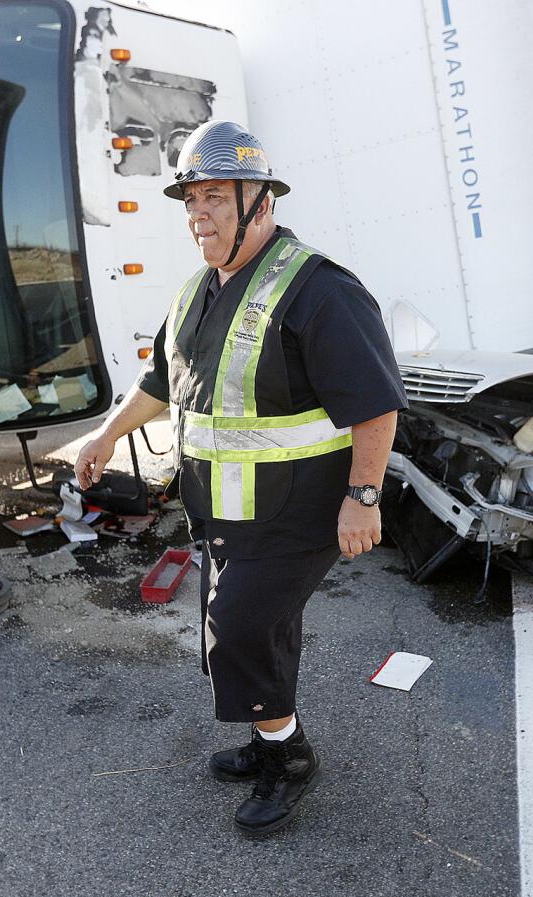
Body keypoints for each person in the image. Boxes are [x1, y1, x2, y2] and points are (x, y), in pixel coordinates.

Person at [74, 120, 407, 835]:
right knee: (262, 628)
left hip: (301, 511)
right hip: (224, 510)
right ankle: (268, 740)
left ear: (262, 200)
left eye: (218, 197)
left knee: (239, 626)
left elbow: (375, 403)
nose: (200, 213)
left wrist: (364, 496)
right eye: (192, 198)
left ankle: (288, 758)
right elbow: (162, 383)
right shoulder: (197, 289)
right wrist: (105, 434)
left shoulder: (320, 290)